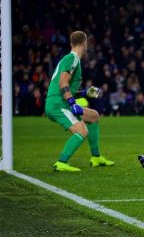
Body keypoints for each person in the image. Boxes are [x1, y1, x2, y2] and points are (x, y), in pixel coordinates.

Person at [44, 31, 113, 172]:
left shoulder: (70, 59)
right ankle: (61, 162)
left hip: (59, 101)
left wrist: (85, 93)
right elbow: (63, 82)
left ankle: (96, 158)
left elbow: (66, 87)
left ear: (71, 43)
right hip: (58, 104)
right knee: (82, 131)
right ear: (84, 44)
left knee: (93, 116)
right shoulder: (72, 58)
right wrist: (72, 103)